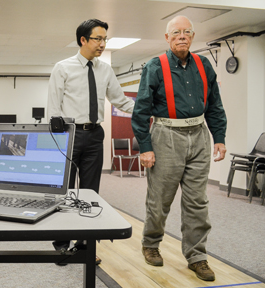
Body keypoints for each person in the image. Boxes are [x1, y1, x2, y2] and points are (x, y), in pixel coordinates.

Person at [131, 15, 227, 281]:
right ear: (167, 38)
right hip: (166, 136)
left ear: (193, 36)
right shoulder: (155, 66)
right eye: (176, 32)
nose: (181, 36)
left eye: (186, 32)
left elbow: (215, 105)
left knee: (198, 201)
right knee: (160, 199)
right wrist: (146, 147)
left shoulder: (204, 64)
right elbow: (140, 112)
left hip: (199, 136)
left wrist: (219, 137)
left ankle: (197, 256)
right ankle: (151, 244)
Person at [47, 18, 135, 263]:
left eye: (105, 39)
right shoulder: (62, 68)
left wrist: (146, 109)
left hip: (95, 135)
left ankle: (85, 245)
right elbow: (53, 108)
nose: (103, 44)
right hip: (69, 134)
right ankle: (62, 245)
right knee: (63, 192)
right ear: (83, 40)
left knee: (89, 193)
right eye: (98, 38)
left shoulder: (105, 69)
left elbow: (121, 100)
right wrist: (57, 139)